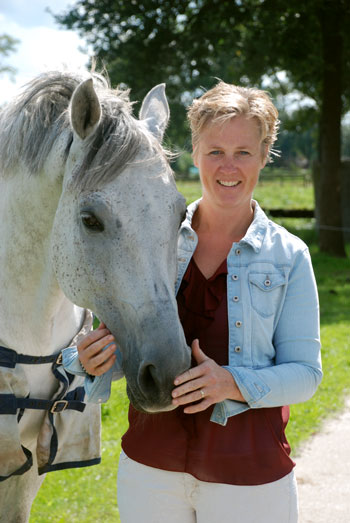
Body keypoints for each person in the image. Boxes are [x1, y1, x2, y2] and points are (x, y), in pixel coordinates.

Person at [63, 81, 322, 523]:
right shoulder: (152, 236)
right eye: (215, 150)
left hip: (250, 477)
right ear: (195, 153)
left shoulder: (289, 255)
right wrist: (91, 359)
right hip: (151, 468)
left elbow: (305, 375)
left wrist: (231, 384)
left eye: (244, 151)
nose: (228, 166)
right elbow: (132, 347)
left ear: (264, 155)